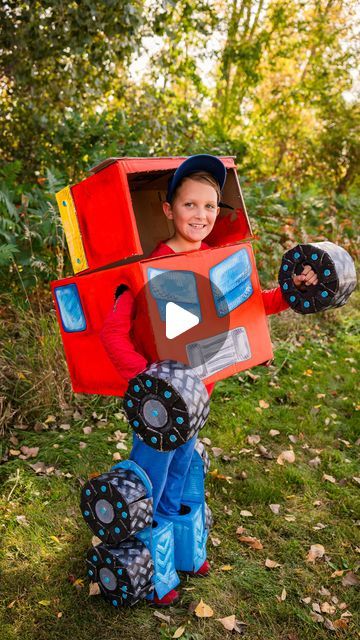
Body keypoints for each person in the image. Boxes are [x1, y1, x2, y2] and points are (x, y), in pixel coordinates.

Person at [100, 154, 318, 606]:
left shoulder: (218, 261)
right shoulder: (146, 269)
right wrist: (149, 386)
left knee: (182, 470)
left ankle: (180, 550)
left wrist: (298, 284)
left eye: (210, 207)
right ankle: (146, 567)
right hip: (161, 409)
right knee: (151, 477)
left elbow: (251, 306)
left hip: (198, 398)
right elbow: (112, 333)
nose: (200, 216)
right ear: (168, 209)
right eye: (190, 206)